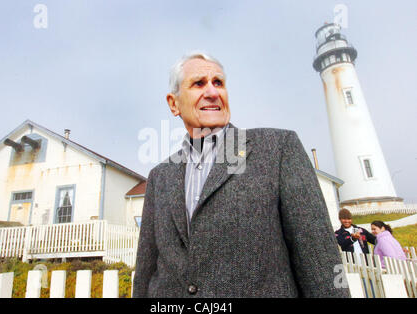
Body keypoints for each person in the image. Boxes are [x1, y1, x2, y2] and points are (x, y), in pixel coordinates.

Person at [133, 51, 350, 298]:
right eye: (198, 83)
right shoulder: (159, 177)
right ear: (174, 104)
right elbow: (146, 270)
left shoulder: (278, 148)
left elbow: (319, 259)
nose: (213, 92)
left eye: (219, 83)